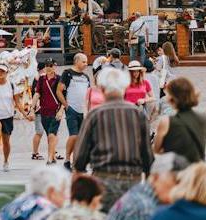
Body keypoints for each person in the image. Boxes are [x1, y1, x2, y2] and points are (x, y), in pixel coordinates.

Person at [71, 67, 152, 209]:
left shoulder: (94, 115)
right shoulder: (137, 115)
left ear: (101, 88)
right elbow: (146, 153)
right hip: (132, 181)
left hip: (103, 180)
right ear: (124, 88)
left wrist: (79, 172)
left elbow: (80, 157)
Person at [98, 152, 188, 220]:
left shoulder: (139, 194)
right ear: (155, 177)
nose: (179, 190)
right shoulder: (143, 207)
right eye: (176, 182)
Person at [154, 76, 206, 164]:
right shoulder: (204, 117)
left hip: (176, 170)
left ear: (172, 98)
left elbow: (157, 150)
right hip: (197, 169)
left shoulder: (166, 122)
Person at [58, 54, 92, 162]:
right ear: (76, 61)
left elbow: (89, 94)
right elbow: (59, 91)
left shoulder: (86, 77)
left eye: (86, 62)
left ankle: (76, 160)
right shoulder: (67, 73)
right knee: (74, 136)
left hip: (83, 110)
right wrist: (66, 105)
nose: (86, 64)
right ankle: (67, 158)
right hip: (72, 109)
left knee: (81, 138)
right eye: (83, 62)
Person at [31, 60, 62, 162]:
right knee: (50, 134)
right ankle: (52, 156)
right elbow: (37, 94)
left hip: (55, 111)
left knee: (52, 134)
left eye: (51, 65)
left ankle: (50, 157)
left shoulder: (59, 79)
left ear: (55, 67)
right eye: (47, 65)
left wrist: (61, 110)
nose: (49, 67)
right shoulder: (41, 79)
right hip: (44, 112)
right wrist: (32, 108)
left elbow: (64, 96)